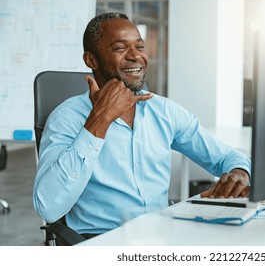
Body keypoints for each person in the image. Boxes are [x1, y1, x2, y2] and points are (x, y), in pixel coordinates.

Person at [33, 12, 251, 237]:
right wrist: (100, 119)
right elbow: (49, 208)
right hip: (103, 241)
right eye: (120, 48)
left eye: (139, 47)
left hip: (161, 236)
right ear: (91, 60)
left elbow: (227, 158)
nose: (135, 57)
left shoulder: (164, 110)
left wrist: (239, 172)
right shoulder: (66, 117)